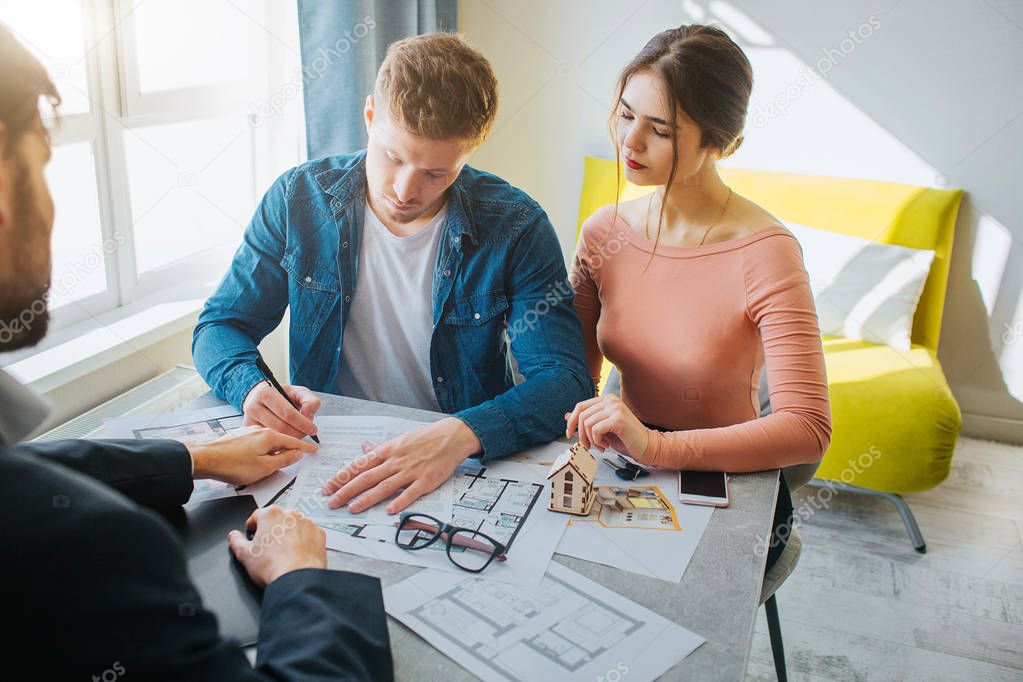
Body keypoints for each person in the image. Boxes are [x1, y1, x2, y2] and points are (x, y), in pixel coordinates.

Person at [0, 25, 392, 680]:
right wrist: (303, 580)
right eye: (41, 164)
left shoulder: (512, 220)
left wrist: (195, 458)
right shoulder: (92, 547)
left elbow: (24, 467)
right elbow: (220, 326)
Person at [193, 33, 592, 515]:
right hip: (327, 453)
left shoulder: (517, 225)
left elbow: (565, 379)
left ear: (470, 152)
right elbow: (219, 326)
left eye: (436, 173)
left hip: (454, 458)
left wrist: (462, 434)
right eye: (393, 156)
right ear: (369, 117)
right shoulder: (298, 199)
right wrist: (251, 386)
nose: (405, 190)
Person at [565, 25, 832, 569]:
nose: (630, 142)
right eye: (625, 114)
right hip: (628, 470)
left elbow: (807, 428)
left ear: (723, 143)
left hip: (728, 483)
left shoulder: (768, 252)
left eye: (660, 130)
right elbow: (574, 377)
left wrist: (656, 448)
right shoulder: (602, 233)